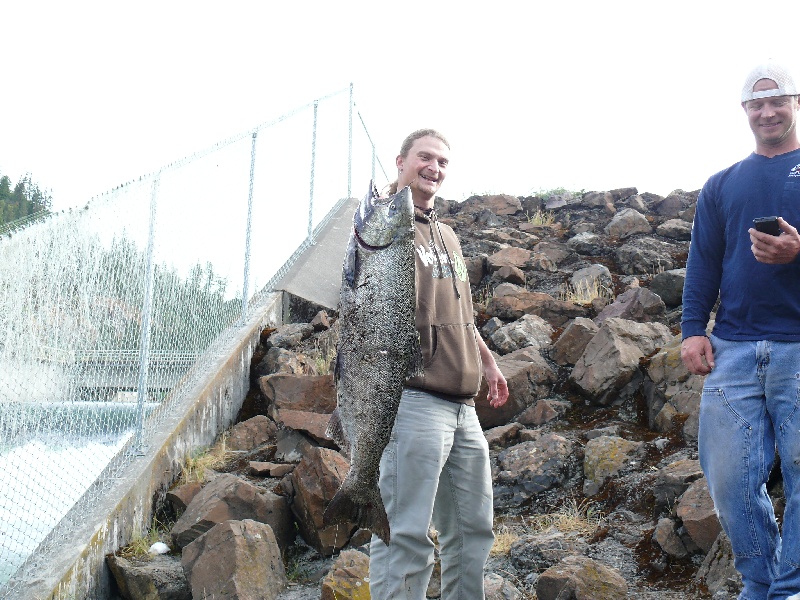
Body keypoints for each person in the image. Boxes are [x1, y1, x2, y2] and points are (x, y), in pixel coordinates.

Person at [368, 129, 509, 600]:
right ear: (401, 161)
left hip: (463, 404)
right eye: (424, 157)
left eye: (443, 162)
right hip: (410, 400)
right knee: (405, 534)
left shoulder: (447, 235)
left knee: (473, 531)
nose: (435, 167)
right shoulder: (377, 226)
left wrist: (487, 362)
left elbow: (462, 312)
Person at [681, 61, 800, 599]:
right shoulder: (722, 184)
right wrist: (691, 329)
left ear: (797, 104)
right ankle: (761, 582)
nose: (768, 111)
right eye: (757, 103)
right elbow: (704, 263)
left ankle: (788, 589)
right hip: (731, 349)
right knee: (728, 480)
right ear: (745, 111)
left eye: (779, 101)